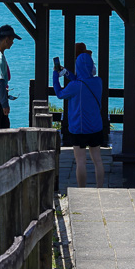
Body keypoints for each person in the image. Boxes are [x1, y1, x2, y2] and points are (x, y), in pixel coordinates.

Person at [53, 50, 105, 188]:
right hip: (96, 127)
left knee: (80, 161)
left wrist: (55, 75)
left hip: (79, 129)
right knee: (98, 160)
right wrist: (67, 73)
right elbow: (81, 80)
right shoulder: (98, 82)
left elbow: (59, 94)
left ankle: (82, 191)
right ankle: (100, 188)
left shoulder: (75, 86)